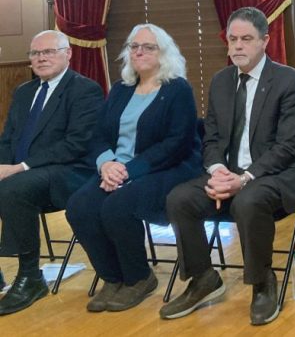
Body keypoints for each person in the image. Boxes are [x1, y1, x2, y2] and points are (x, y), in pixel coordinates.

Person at [161, 7, 295, 326]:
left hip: (273, 176)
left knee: (248, 200)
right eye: (232, 39)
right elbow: (210, 137)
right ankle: (202, 278)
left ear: (264, 41)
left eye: (246, 39)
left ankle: (261, 282)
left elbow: (289, 146)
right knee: (180, 198)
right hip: (227, 174)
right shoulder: (220, 82)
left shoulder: (289, 81)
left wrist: (244, 179)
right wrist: (217, 172)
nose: (238, 46)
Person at [65, 24, 201, 312]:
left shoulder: (177, 89)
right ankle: (112, 277)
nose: (139, 51)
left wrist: (128, 171)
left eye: (148, 47)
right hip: (116, 170)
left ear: (164, 53)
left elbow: (177, 143)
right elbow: (99, 135)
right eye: (134, 46)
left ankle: (139, 278)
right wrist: (106, 164)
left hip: (166, 168)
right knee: (79, 206)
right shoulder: (120, 89)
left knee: (117, 206)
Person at [0, 31, 103, 315]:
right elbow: (8, 138)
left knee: (13, 188)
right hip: (26, 174)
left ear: (67, 54)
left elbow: (75, 144)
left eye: (49, 51)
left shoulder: (85, 90)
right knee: (11, 184)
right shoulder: (24, 92)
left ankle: (30, 277)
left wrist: (19, 168)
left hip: (70, 174)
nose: (41, 58)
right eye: (35, 53)